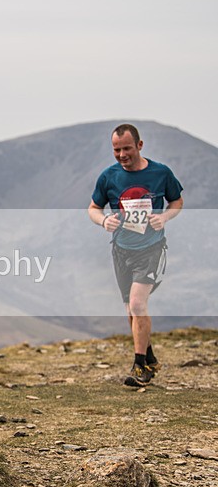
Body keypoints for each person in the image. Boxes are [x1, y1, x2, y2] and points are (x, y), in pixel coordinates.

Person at [88, 123, 183, 387]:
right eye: (116, 150)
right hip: (121, 251)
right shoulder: (108, 176)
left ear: (139, 146)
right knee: (131, 309)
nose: (121, 155)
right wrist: (103, 221)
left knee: (138, 304)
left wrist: (164, 216)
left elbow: (177, 201)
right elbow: (93, 207)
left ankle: (140, 366)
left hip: (151, 249)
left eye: (127, 148)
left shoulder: (160, 173)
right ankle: (150, 356)